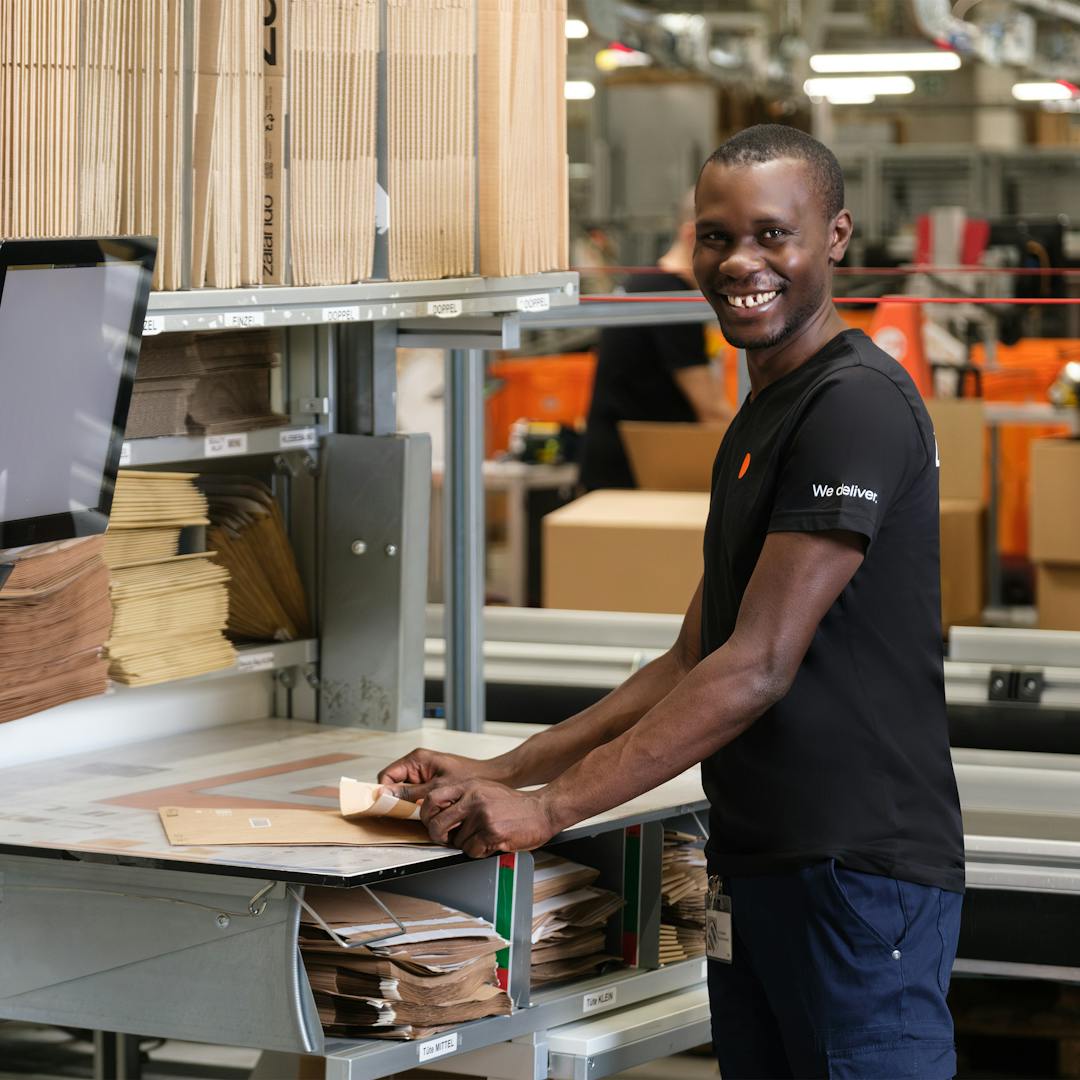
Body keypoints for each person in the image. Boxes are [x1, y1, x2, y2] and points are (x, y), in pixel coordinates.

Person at [380, 125, 965, 1079]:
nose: (740, 262)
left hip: (857, 875)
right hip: (761, 864)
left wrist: (551, 809)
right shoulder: (766, 410)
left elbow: (758, 664)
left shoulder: (853, 405)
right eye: (715, 236)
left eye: (773, 235)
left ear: (836, 237)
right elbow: (693, 659)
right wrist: (509, 770)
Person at [580, 190, 733, 490]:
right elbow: (711, 410)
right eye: (725, 243)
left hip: (616, 470)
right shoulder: (670, 296)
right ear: (692, 236)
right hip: (628, 479)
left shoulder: (647, 282)